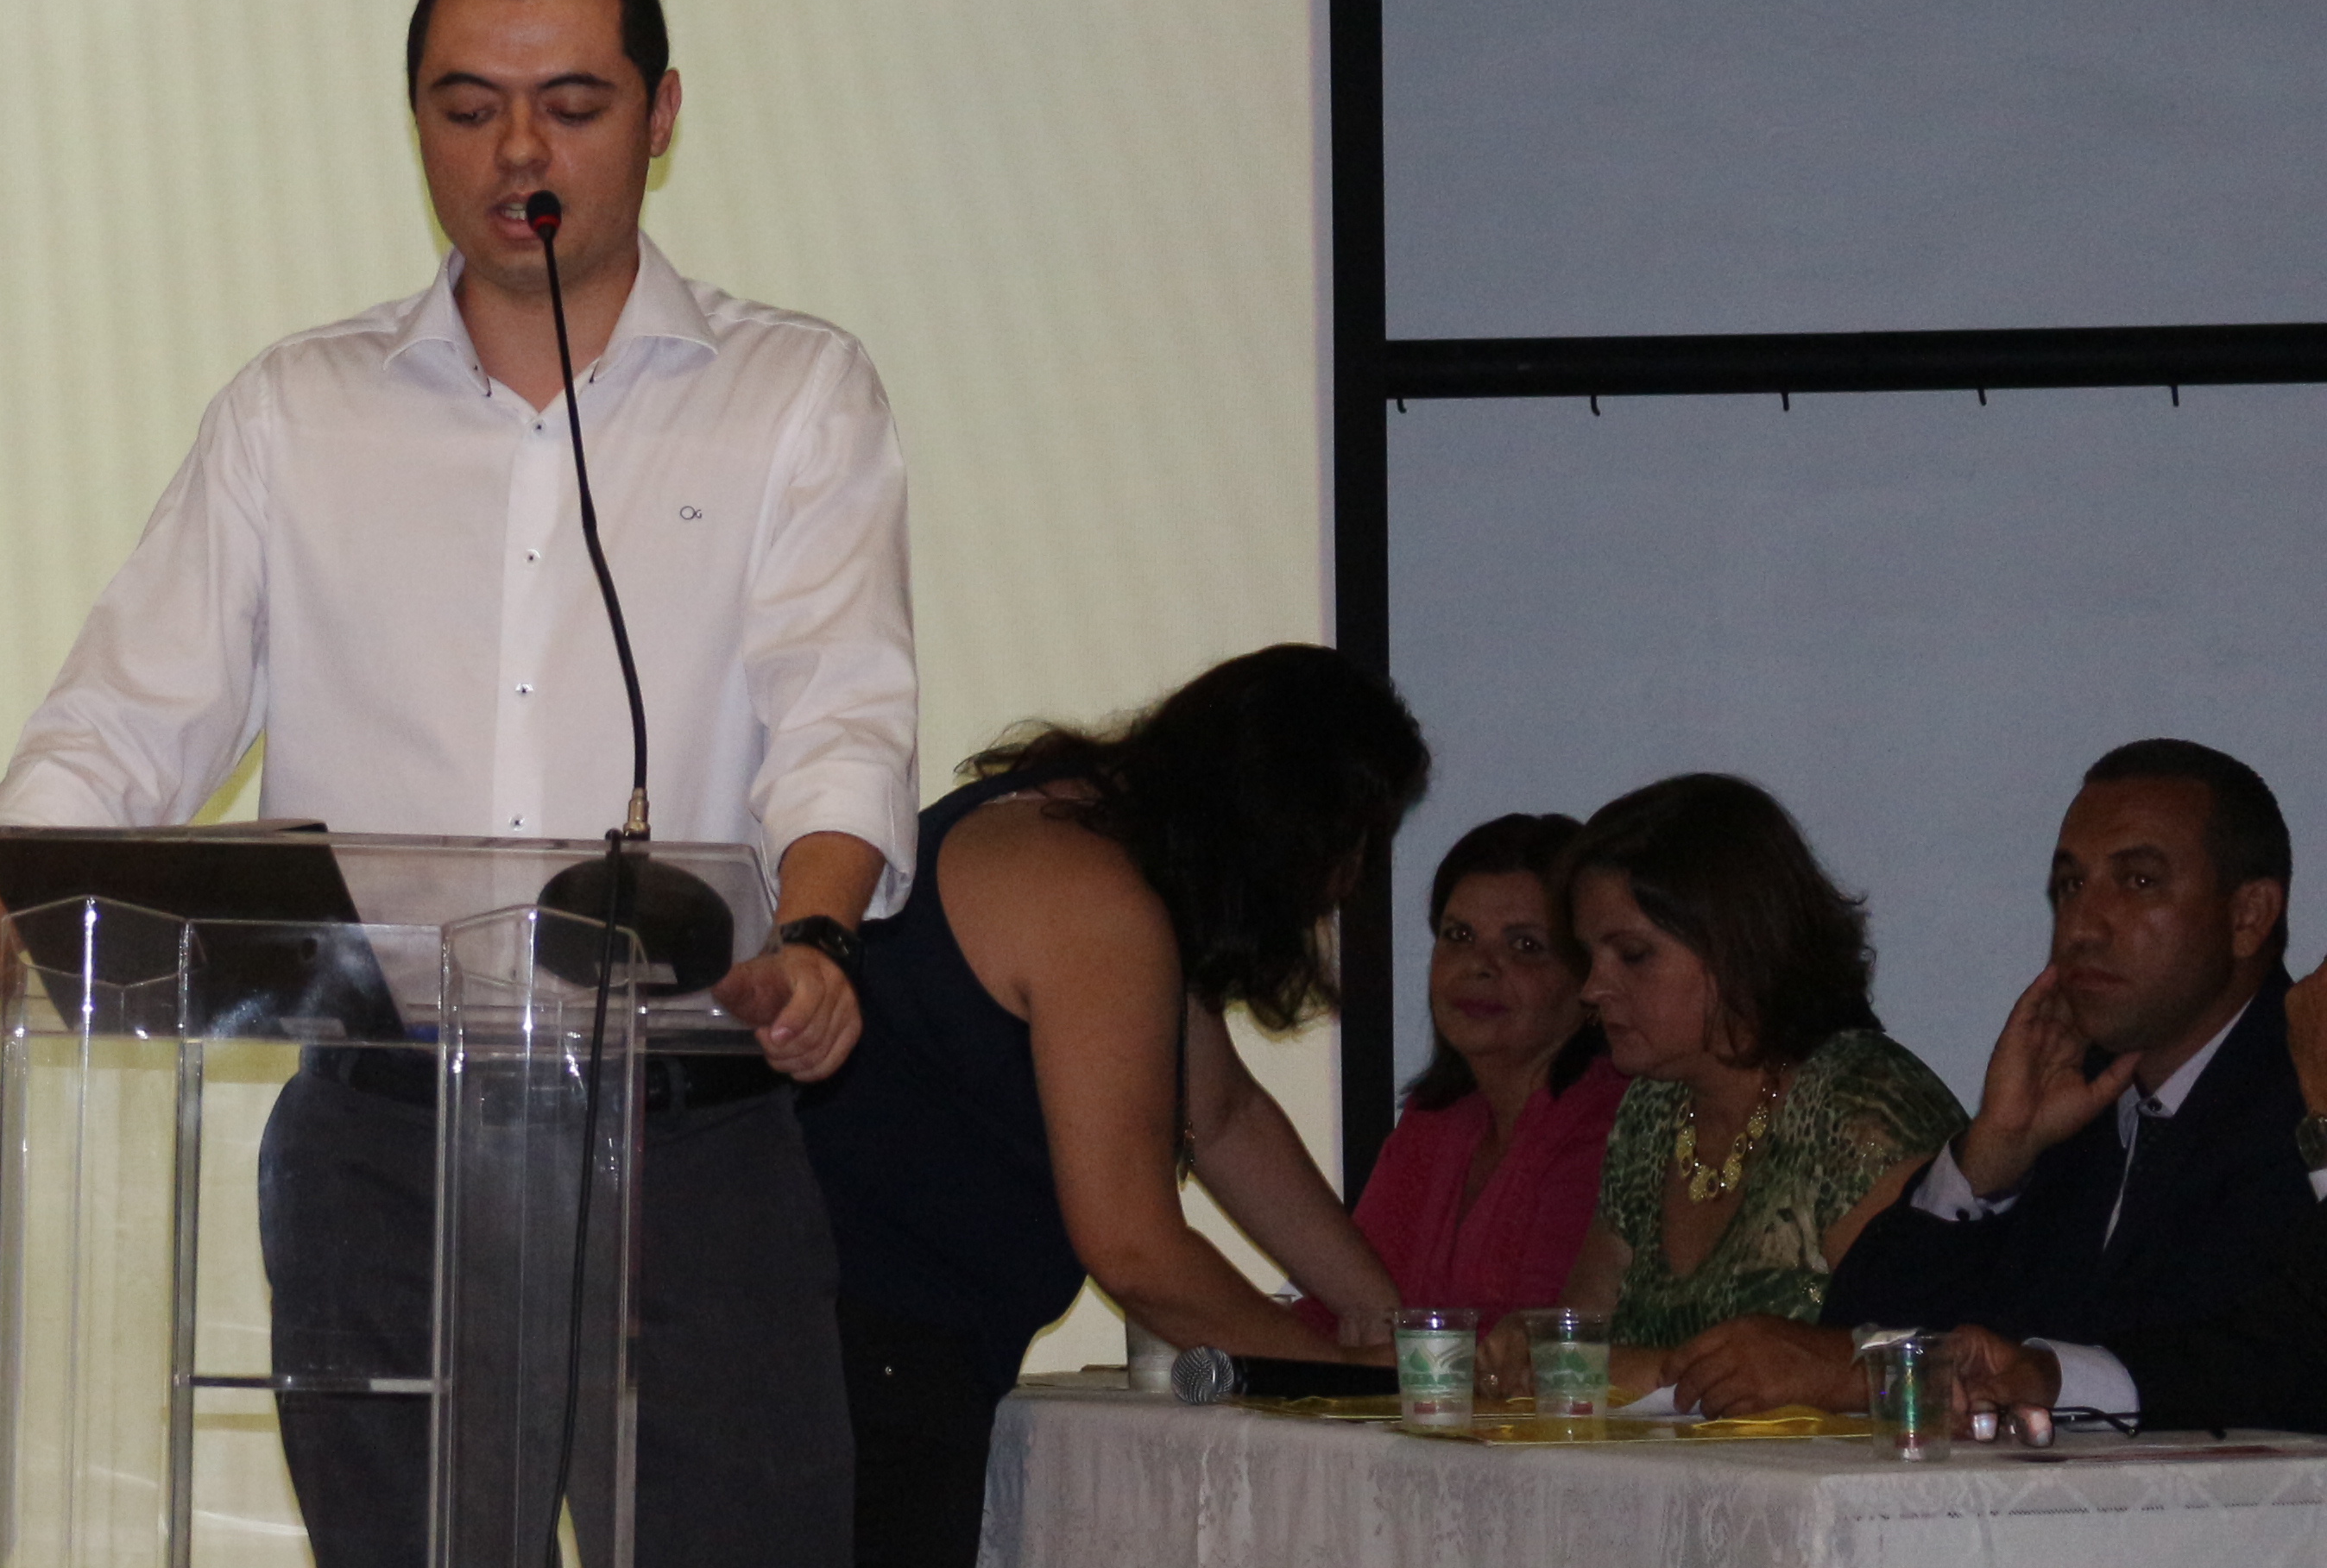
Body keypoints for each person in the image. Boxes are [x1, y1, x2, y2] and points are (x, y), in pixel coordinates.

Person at [0, 0, 914, 1568]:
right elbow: (122, 719)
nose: (516, 154)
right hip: (382, 1138)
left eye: (570, 105)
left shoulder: (789, 393)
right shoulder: (297, 410)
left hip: (683, 1130)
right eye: (466, 107)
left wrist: (814, 937)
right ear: (412, 117)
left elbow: (838, 707)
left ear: (659, 115)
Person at [798, 645, 1431, 1568]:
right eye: (1358, 844)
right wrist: (1335, 1381)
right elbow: (1133, 1246)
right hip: (862, 1366)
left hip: (843, 1350)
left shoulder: (1084, 842)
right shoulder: (1096, 898)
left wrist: (1388, 1322)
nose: (1349, 885)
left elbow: (1220, 1116)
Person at [1796, 743, 2313, 1375]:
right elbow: (1862, 1342)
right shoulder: (2068, 1112)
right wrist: (1988, 1158)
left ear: (2248, 917)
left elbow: (2280, 1364)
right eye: (2070, 886)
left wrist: (2048, 1378)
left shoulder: (2311, 1099)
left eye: (2139, 881)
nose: (2081, 928)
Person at [1529, 771, 1963, 1414]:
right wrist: (1530, 1352)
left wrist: (1638, 1370)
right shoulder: (1652, 1109)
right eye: (1590, 956)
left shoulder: (1860, 1104)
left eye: (1633, 955)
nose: (1592, 988)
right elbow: (1581, 1346)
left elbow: (1923, 1365)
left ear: (1737, 943)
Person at [1936, 962, 2327, 1433]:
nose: (2088, 931)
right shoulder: (2078, 1091)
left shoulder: (2278, 1104)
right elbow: (2259, 1355)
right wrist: (2049, 1375)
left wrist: (2323, 1120)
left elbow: (2287, 1367)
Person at [1352, 812, 1627, 1313]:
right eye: (1458, 936)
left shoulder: (1612, 1126)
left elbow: (1532, 1337)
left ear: (1589, 980)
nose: (1479, 966)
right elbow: (1341, 1307)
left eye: (1525, 946)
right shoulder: (1434, 1119)